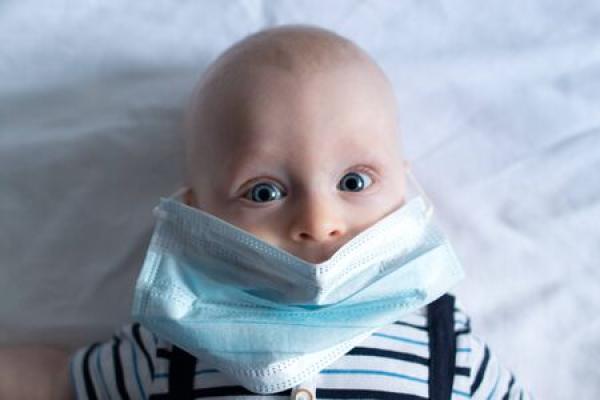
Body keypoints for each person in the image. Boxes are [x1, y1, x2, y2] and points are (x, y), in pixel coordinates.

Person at [0, 24, 531, 399]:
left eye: (353, 181)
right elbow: (55, 382)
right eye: (264, 192)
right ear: (196, 216)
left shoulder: (442, 340)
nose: (319, 220)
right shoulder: (171, 345)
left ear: (406, 188)